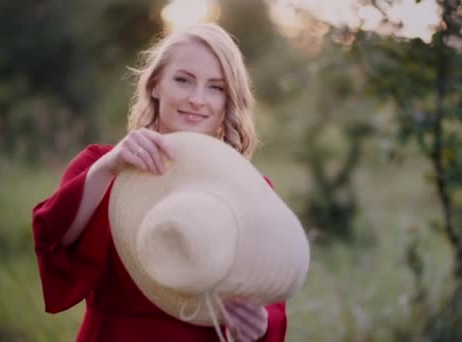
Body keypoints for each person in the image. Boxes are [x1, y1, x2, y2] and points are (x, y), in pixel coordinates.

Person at [31, 23, 286, 342]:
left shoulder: (252, 190)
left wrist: (258, 325)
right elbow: (55, 240)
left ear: (228, 101)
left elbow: (271, 300)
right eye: (183, 80)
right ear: (155, 85)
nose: (197, 99)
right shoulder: (100, 165)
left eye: (215, 87)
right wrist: (109, 168)